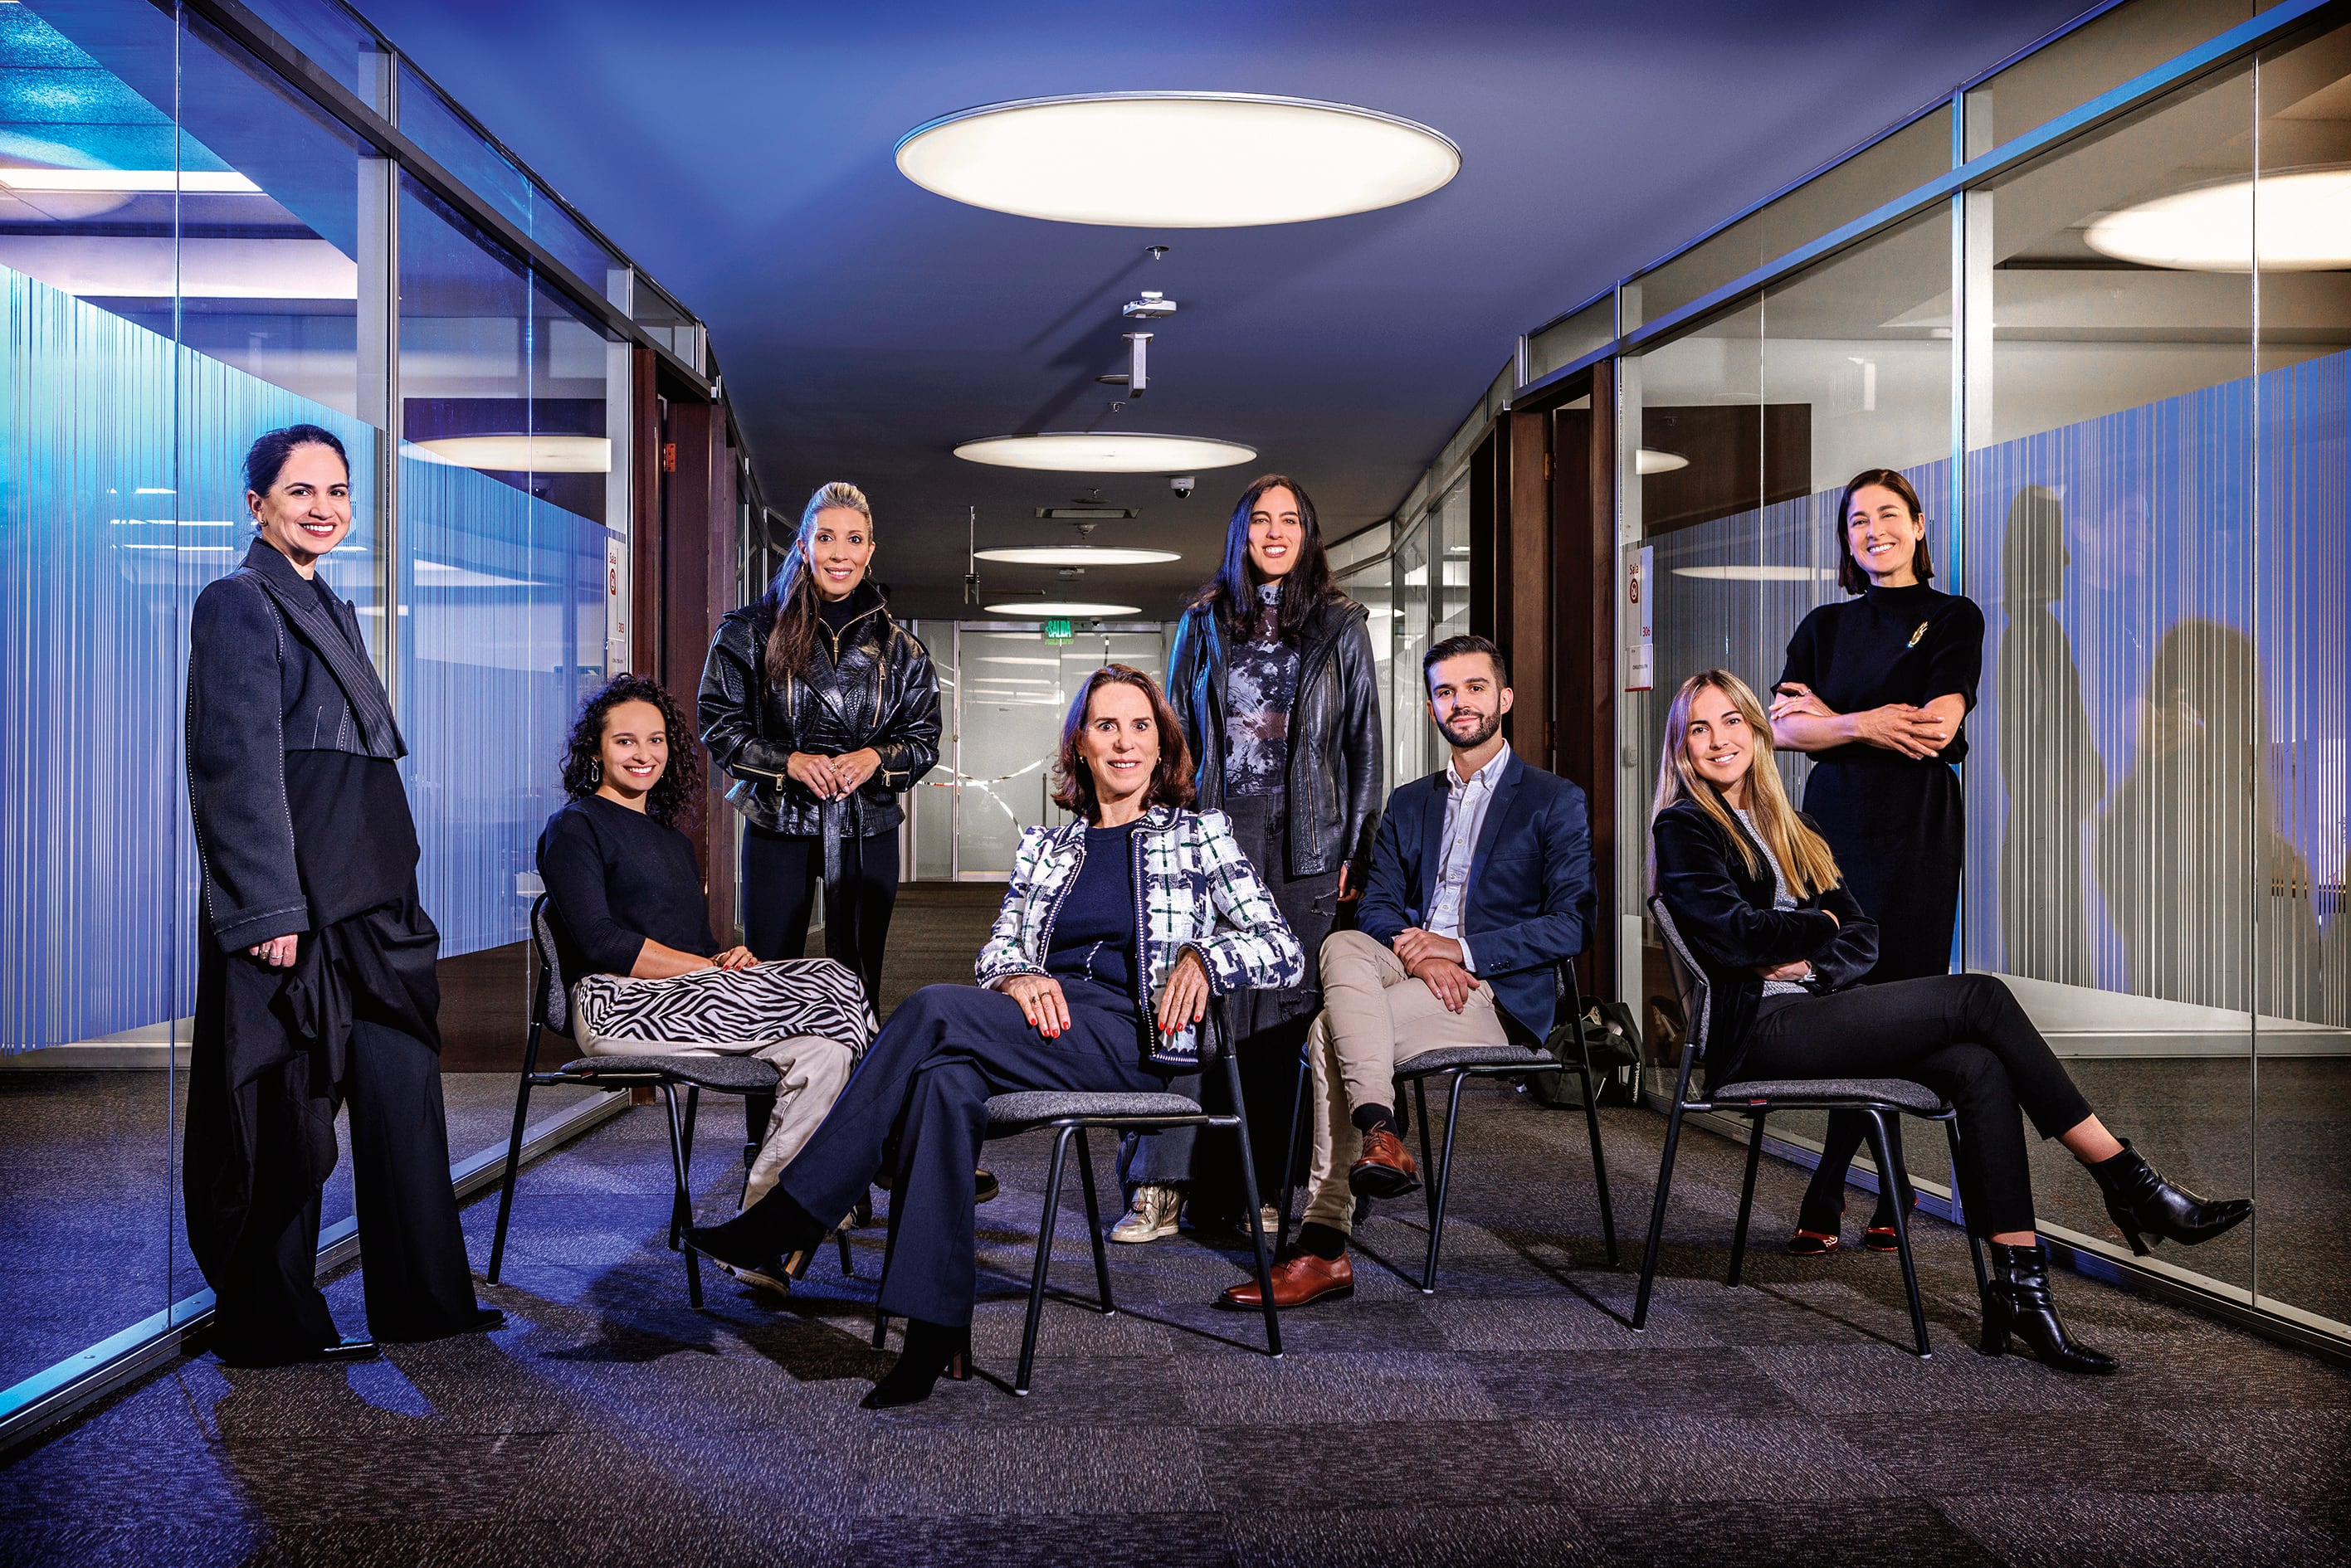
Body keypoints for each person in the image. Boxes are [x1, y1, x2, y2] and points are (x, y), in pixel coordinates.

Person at [687, 666, 1304, 1406]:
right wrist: (1017, 977)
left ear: (1161, 741)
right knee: (943, 1085)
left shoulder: (1199, 836)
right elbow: (998, 949)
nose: (1125, 742)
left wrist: (1205, 955)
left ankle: (794, 1212)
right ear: (1079, 745)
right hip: (1041, 1026)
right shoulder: (1048, 847)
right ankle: (931, 1333)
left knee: (930, 1010)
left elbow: (1281, 947)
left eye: (1140, 726)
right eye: (1106, 726)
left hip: (1133, 1035)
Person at [1651, 670, 2251, 1373]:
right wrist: (1816, 925)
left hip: (1814, 1009)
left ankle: (2021, 1289)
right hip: (1753, 1033)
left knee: (1979, 1066)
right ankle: (2127, 1180)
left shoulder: (1797, 827)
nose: (1718, 740)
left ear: (1756, 733)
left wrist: (1805, 957)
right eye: (1699, 728)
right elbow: (1735, 939)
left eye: (1731, 722)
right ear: (1682, 747)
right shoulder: (1684, 826)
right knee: (1979, 998)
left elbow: (1863, 937)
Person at [183, 424, 501, 1366]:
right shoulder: (238, 603)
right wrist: (267, 911)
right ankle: (271, 1325)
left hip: (374, 899)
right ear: (258, 504)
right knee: (288, 1119)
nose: (324, 507)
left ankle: (425, 1302)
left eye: (338, 491)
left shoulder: (334, 607)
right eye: (301, 491)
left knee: (403, 1095)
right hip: (301, 905)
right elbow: (233, 769)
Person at [1223, 635, 1593, 1310]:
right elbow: (1381, 905)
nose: (1461, 702)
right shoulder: (1409, 801)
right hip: (1405, 967)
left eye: (1475, 687)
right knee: (1339, 947)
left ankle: (1323, 1246)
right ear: (1431, 708)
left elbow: (1572, 923)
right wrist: (1419, 948)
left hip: (1491, 990)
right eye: (1446, 691)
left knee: (1326, 1034)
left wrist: (1462, 951)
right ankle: (1380, 1133)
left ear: (1503, 698)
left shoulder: (1551, 799)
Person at [536, 674, 875, 1290]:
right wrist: (708, 968)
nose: (644, 755)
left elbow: (687, 947)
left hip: (690, 1000)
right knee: (831, 980)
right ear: (594, 752)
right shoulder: (575, 828)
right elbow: (603, 943)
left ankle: (760, 1234)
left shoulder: (669, 839)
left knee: (825, 1049)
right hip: (619, 1006)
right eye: (625, 742)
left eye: (657, 740)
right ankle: (888, 1155)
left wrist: (728, 958)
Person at [1117, 474, 1383, 1243]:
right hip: (1213, 828)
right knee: (1190, 1004)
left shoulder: (1340, 623)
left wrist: (1355, 850)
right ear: (1239, 535)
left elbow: (1362, 742)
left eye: (1289, 520)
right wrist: (1165, 833)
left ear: (1308, 533)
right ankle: (1163, 1184)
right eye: (1259, 521)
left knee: (1277, 1021)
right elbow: (1172, 741)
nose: (1274, 533)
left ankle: (1261, 1187)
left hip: (1307, 838)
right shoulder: (1202, 621)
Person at [1768, 469, 1984, 1258]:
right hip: (1834, 828)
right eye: (1857, 520)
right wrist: (1862, 721)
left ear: (1919, 527)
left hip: (1919, 828)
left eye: (1888, 515)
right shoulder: (1823, 625)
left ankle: (1831, 1183)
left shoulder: (1952, 617)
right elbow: (1782, 731)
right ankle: (1883, 1181)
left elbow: (1933, 730)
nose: (1872, 530)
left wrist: (1835, 720)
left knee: (1899, 994)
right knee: (1847, 991)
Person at [699, 481, 939, 1009]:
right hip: (777, 822)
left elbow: (924, 739)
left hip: (866, 825)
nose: (841, 554)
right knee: (768, 975)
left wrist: (876, 757)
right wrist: (791, 762)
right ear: (803, 545)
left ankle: (854, 1090)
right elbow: (719, 725)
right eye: (827, 538)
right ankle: (769, 1093)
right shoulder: (749, 633)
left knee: (858, 977)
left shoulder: (901, 648)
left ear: (870, 551)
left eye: (855, 540)